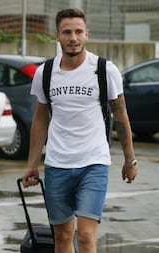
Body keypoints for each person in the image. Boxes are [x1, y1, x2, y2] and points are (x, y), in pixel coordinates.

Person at [22, 8, 138, 253]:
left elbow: (120, 115)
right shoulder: (46, 72)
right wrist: (32, 163)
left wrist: (130, 159)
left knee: (85, 236)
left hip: (93, 163)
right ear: (57, 36)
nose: (72, 37)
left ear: (86, 34)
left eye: (78, 32)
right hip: (57, 164)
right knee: (63, 237)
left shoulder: (105, 70)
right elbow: (40, 119)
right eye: (67, 32)